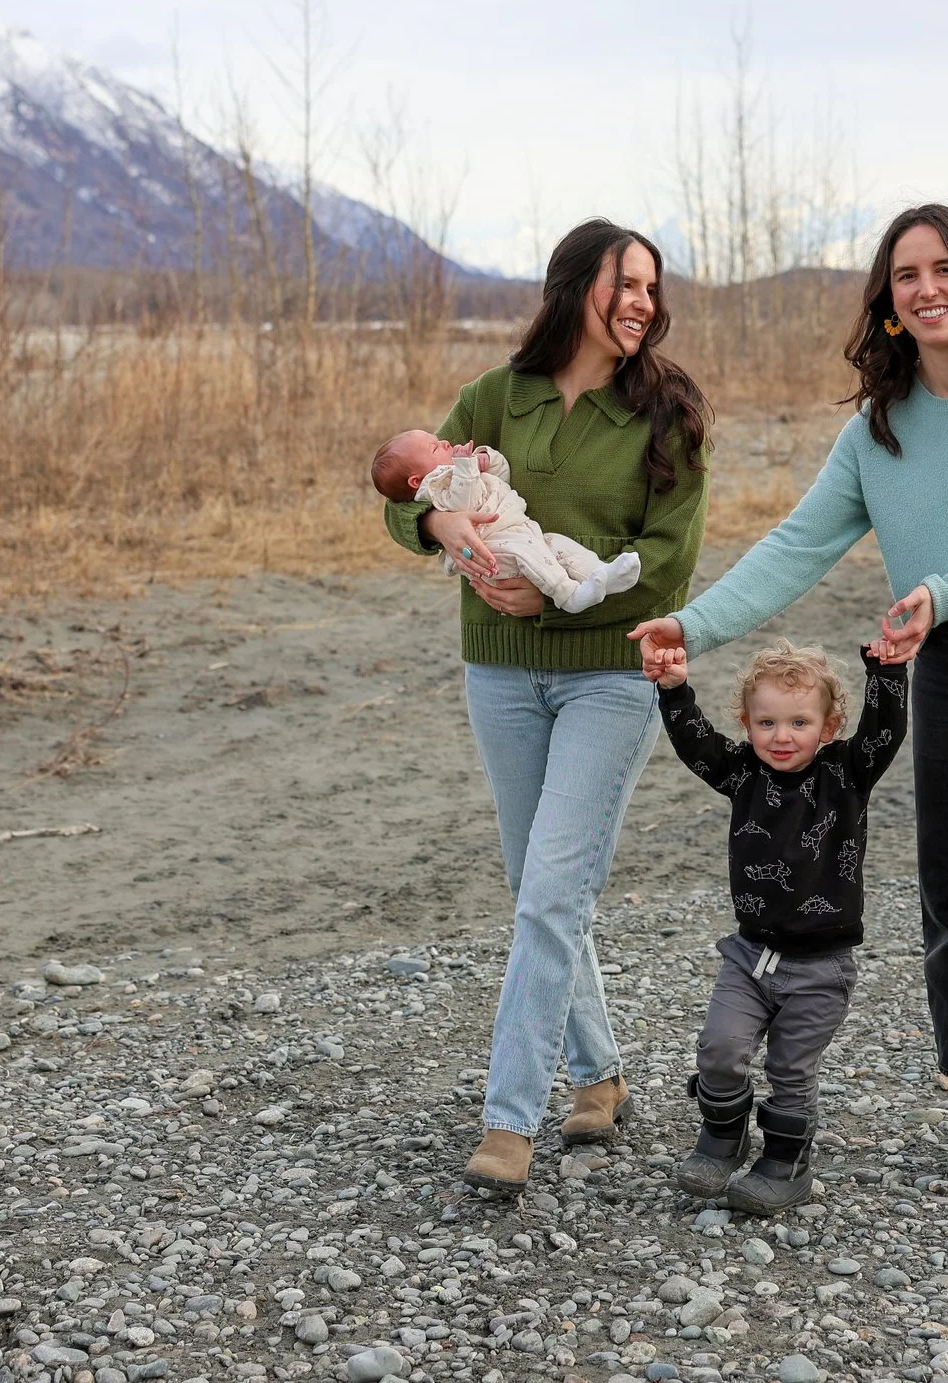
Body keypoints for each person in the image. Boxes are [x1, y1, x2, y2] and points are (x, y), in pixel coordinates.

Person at [630, 202, 948, 1184]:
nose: (926, 287)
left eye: (944, 269)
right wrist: (694, 624)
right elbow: (794, 547)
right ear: (887, 300)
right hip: (946, 670)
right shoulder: (878, 428)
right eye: (905, 274)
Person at [381, 218, 710, 1195]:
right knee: (538, 887)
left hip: (609, 674)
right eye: (625, 282)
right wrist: (437, 518)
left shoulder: (667, 410)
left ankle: (508, 1119)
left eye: (653, 285)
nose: (642, 301)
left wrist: (562, 588)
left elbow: (670, 556)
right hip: (499, 673)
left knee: (552, 893)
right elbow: (408, 494)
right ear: (575, 287)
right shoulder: (496, 396)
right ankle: (601, 1074)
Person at [646, 639, 907, 1213]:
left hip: (821, 968)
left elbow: (885, 731)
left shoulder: (848, 773)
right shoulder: (742, 773)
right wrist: (673, 690)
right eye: (766, 722)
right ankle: (721, 1137)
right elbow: (697, 746)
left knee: (791, 1069)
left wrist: (887, 672)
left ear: (830, 726)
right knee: (718, 1048)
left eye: (798, 722)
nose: (781, 736)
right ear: (747, 723)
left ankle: (787, 1162)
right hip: (750, 955)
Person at [371, 432, 644, 614]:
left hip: (518, 532)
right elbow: (462, 503)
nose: (444, 443)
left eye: (439, 440)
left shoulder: (455, 468)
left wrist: (486, 460)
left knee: (558, 546)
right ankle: (567, 595)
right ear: (416, 481)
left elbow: (501, 477)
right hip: (493, 550)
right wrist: (438, 522)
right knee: (527, 551)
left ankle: (602, 574)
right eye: (435, 447)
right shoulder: (436, 486)